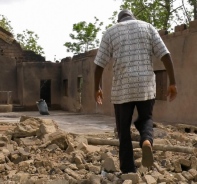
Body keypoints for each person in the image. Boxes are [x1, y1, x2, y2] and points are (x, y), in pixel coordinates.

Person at [94, 9, 177, 174]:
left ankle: (128, 170)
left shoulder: (111, 32)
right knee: (146, 118)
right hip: (145, 86)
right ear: (133, 17)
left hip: (122, 89)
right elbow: (165, 55)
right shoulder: (147, 27)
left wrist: (97, 87)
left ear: (119, 20)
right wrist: (172, 82)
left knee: (123, 129)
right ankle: (146, 140)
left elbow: (99, 64)